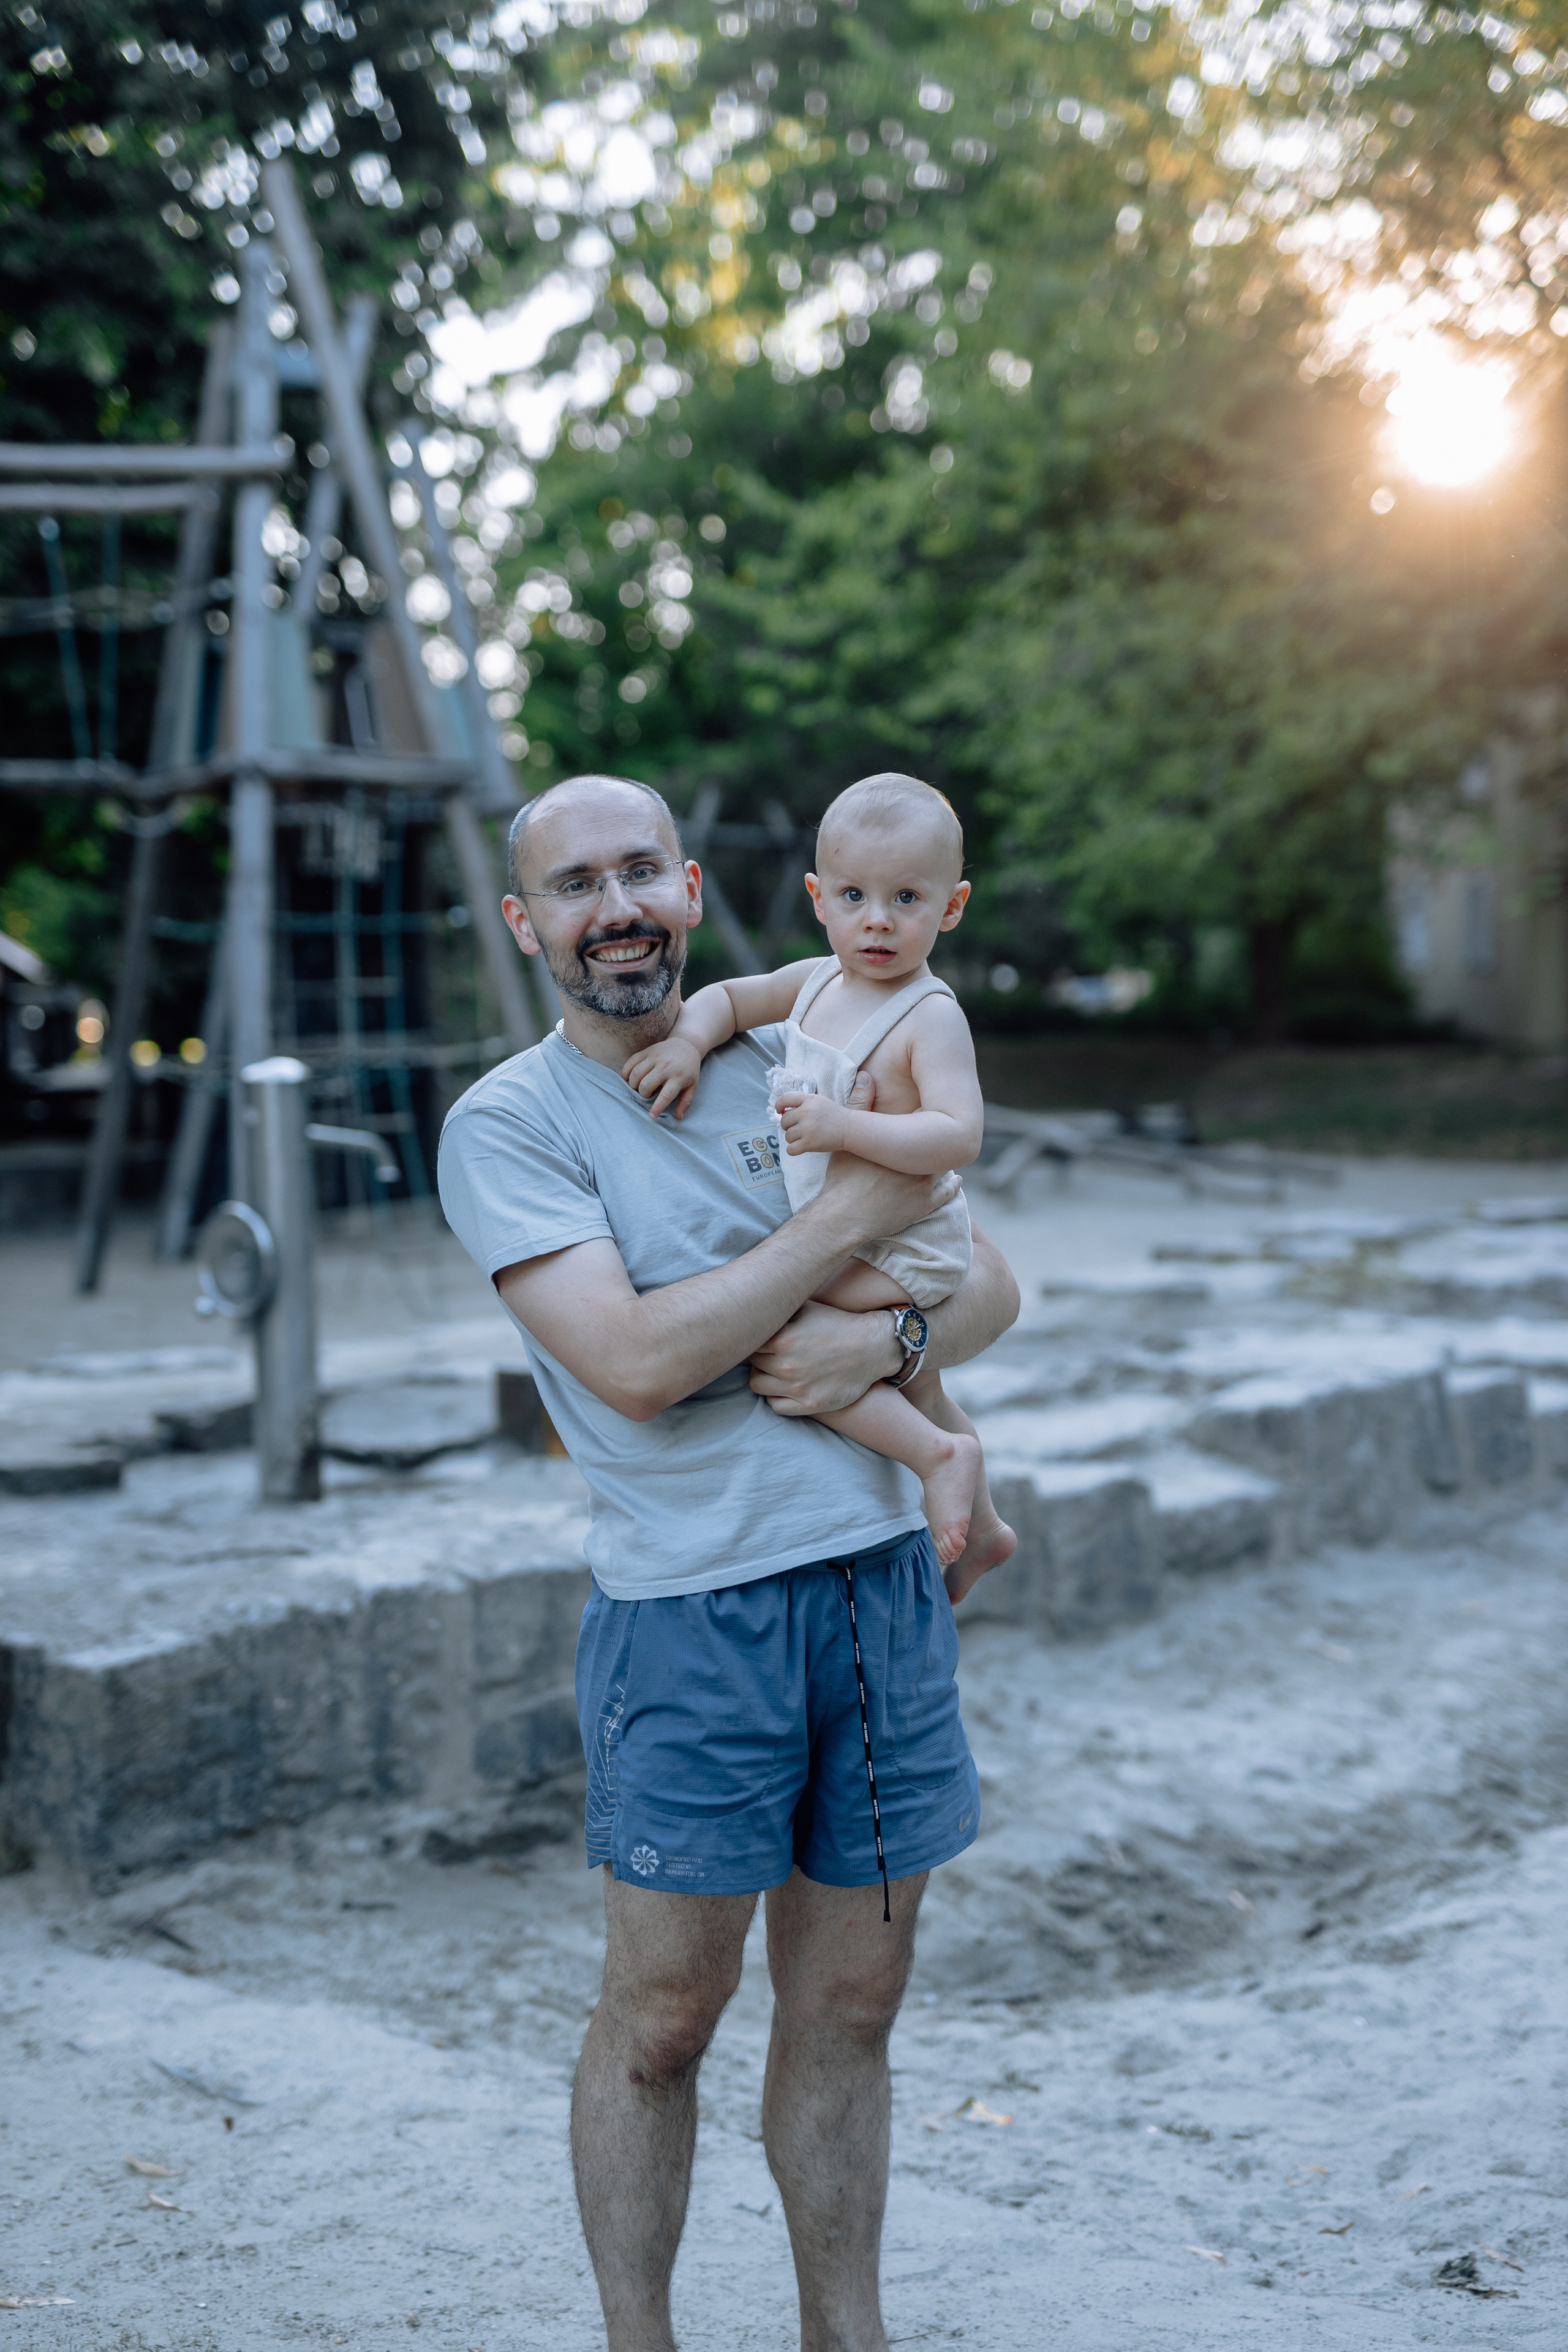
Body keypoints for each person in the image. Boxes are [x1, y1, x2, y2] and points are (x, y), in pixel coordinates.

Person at [437, 771, 1019, 2352]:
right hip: (691, 1625)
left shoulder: (818, 1040)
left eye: (641, 873)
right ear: (528, 921)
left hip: (880, 1597)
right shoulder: (508, 1125)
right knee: (664, 2024)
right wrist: (848, 1232)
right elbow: (634, 1363)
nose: (614, 907)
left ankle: (851, 2336)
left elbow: (989, 1285)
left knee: (851, 2014)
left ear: (693, 891)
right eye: (575, 885)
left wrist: (876, 1345)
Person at [623, 771, 1016, 1580]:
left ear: (952, 907)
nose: (876, 920)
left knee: (783, 1330)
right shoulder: (818, 982)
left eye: (907, 898)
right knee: (917, 1380)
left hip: (910, 1239)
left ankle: (938, 1457)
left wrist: (844, 1127)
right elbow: (730, 998)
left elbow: (958, 1133)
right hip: (862, 1225)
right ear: (818, 897)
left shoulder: (929, 1015)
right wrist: (689, 1042)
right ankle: (981, 1525)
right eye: (853, 896)